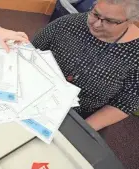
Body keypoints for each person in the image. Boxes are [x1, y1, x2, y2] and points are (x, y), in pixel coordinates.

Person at [32, 0, 139, 131]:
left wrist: (81, 129)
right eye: (95, 13)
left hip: (79, 116)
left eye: (110, 21)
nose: (96, 24)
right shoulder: (68, 23)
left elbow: (125, 103)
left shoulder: (135, 53)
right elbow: (31, 51)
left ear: (132, 20)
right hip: (35, 96)